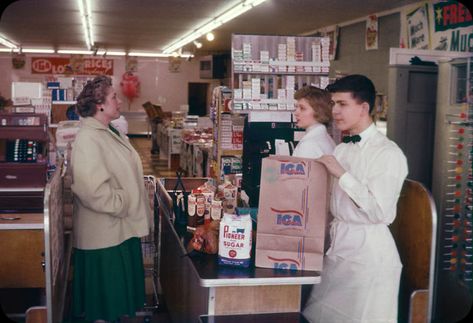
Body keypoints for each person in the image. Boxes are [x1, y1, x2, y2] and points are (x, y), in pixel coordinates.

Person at [303, 75, 408, 322]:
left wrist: (342, 174)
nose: (335, 111)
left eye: (342, 104)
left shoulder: (388, 154)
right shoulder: (342, 148)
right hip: (339, 249)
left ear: (364, 108)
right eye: (333, 104)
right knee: (319, 316)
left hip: (368, 258)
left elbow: (381, 213)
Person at [70, 75, 151, 322]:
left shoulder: (107, 131)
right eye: (114, 97)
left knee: (112, 307)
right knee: (103, 308)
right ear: (100, 105)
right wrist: (124, 202)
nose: (119, 101)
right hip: (104, 237)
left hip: (118, 231)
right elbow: (91, 190)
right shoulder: (88, 139)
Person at [292, 86, 335, 158]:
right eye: (296, 107)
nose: (296, 112)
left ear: (319, 111)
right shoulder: (325, 138)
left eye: (302, 108)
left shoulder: (308, 144)